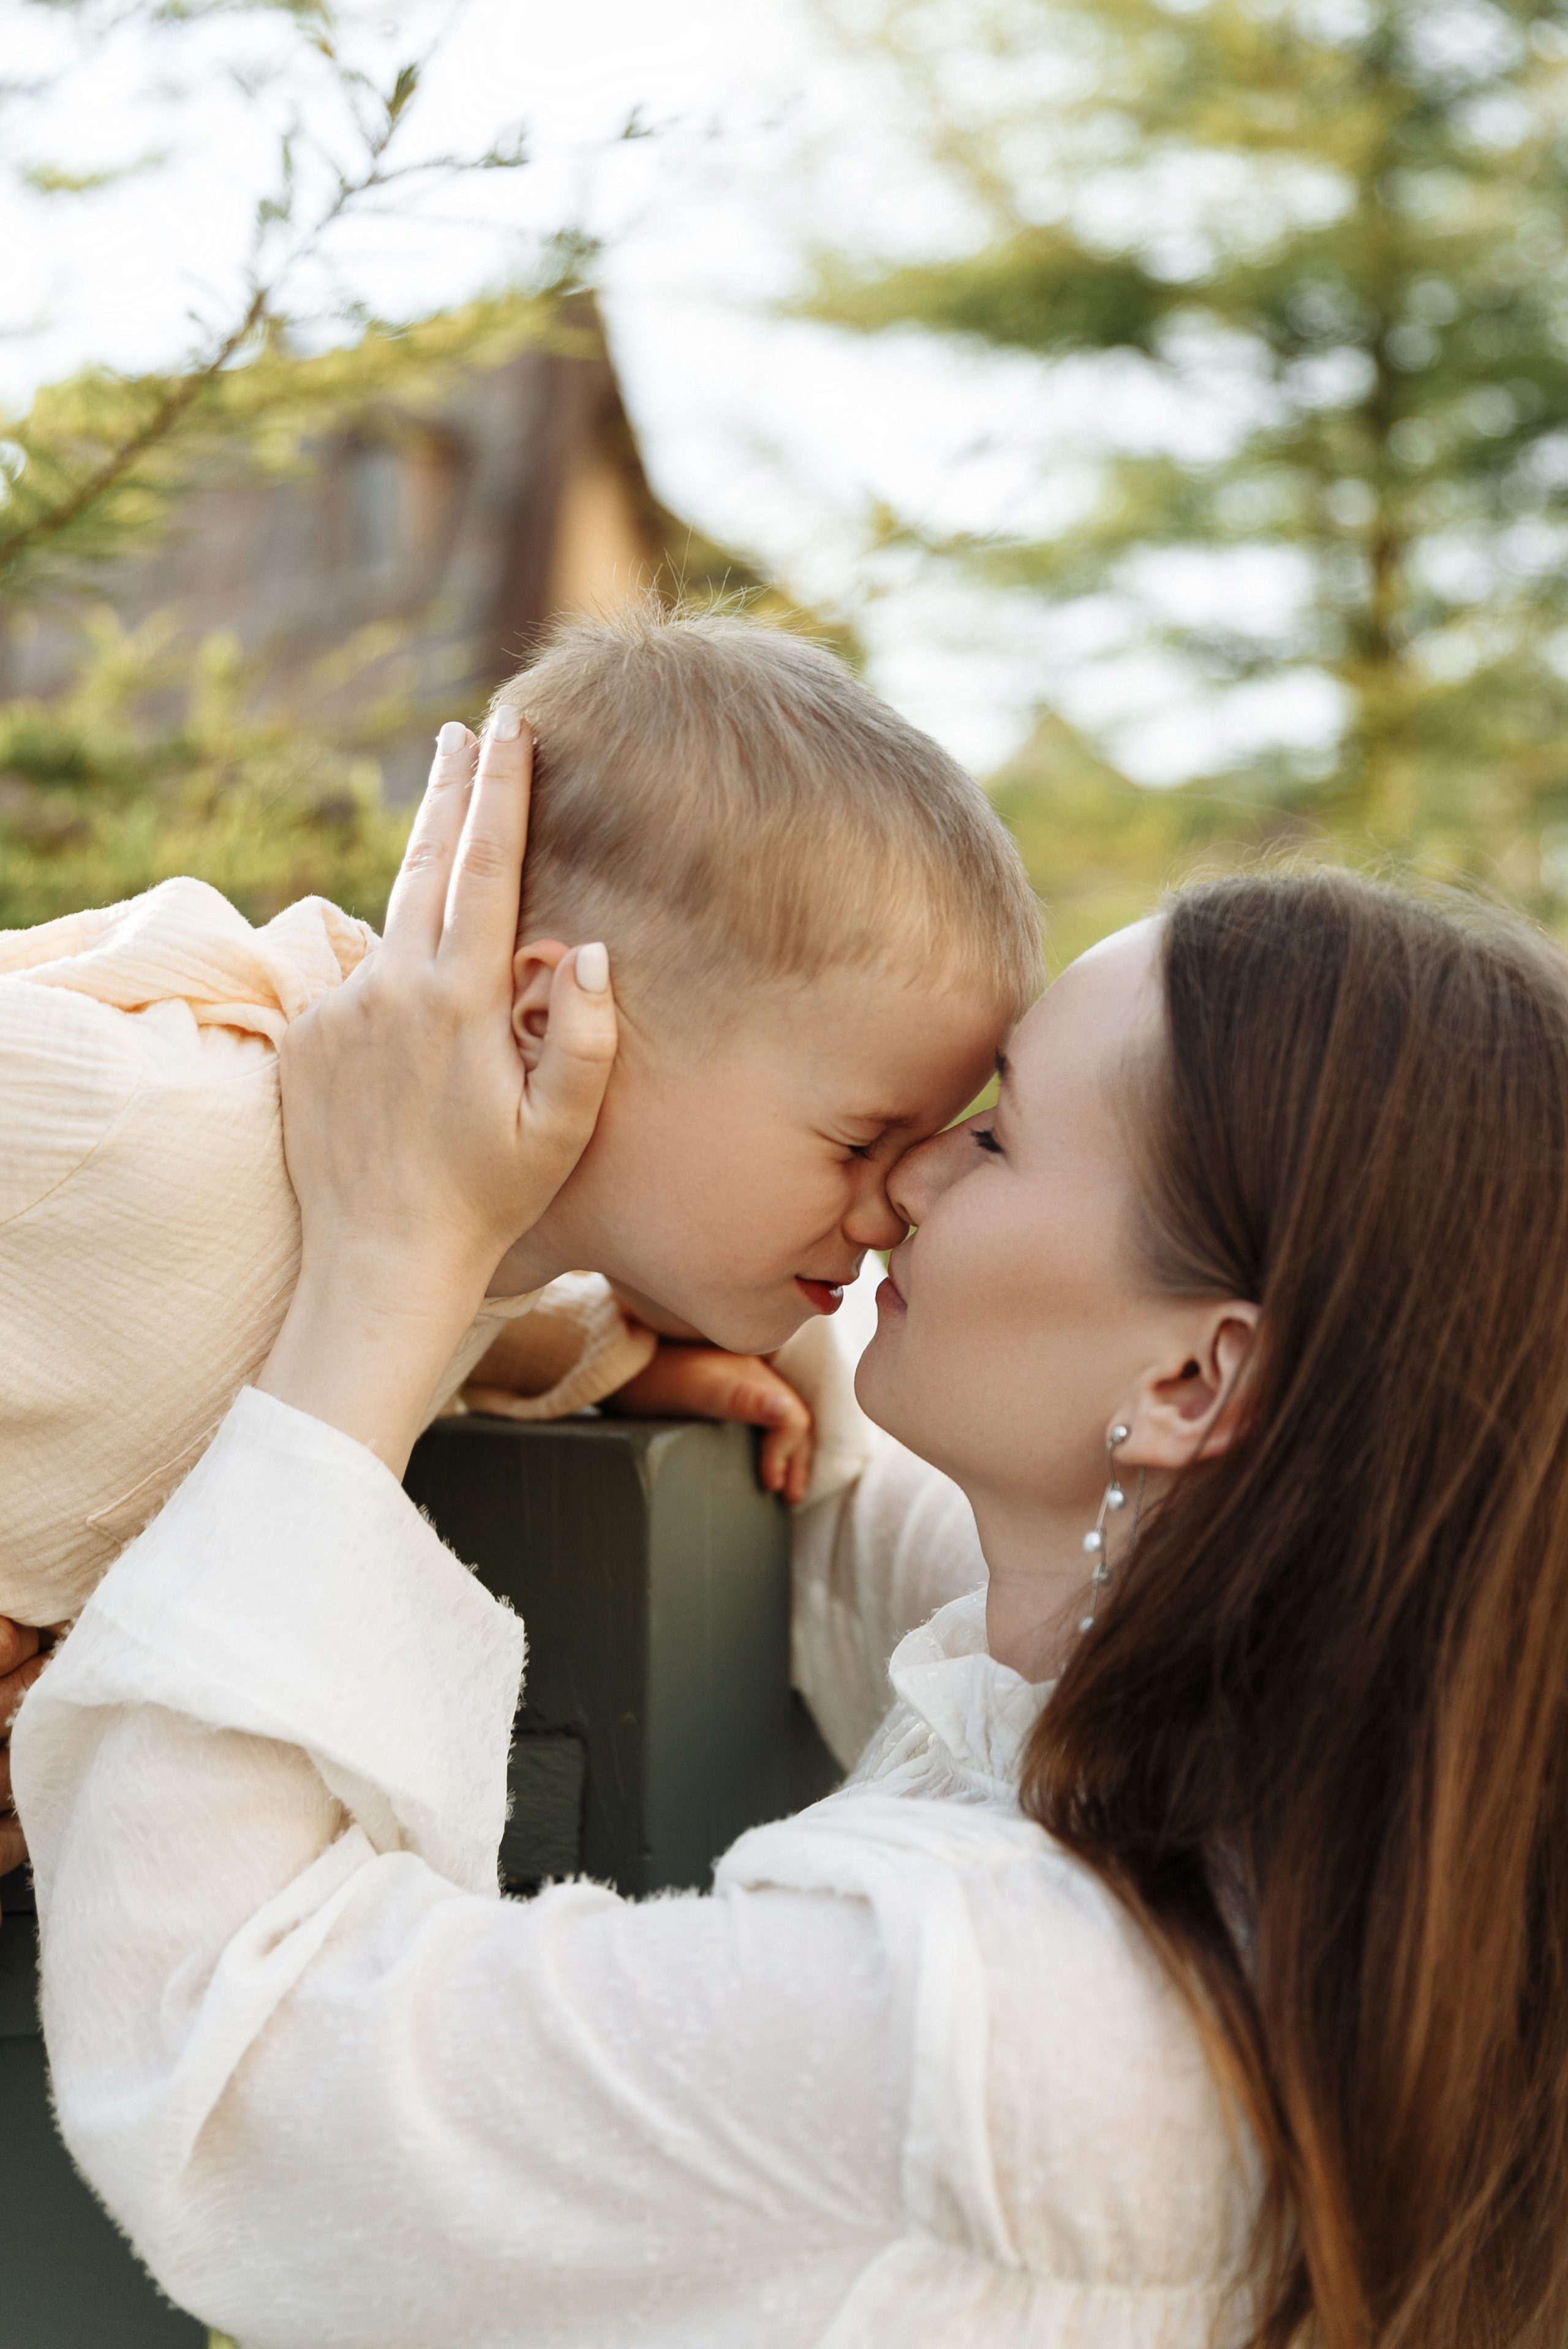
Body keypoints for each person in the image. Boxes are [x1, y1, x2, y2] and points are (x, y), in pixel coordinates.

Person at [17, 729, 1568, 2349]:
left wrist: (392, 1263)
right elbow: (845, 1493)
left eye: (998, 1134)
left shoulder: (1029, 2041)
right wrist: (627, 1243)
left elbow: (237, 2078)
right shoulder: (1290, 1756)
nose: (903, 1186)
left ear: (1192, 1377)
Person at [0, 604, 1038, 1631]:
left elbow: (419, 1306)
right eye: (862, 1143)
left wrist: (622, 1362)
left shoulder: (459, 1235)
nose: (894, 1206)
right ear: (551, 1023)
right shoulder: (156, 1108)